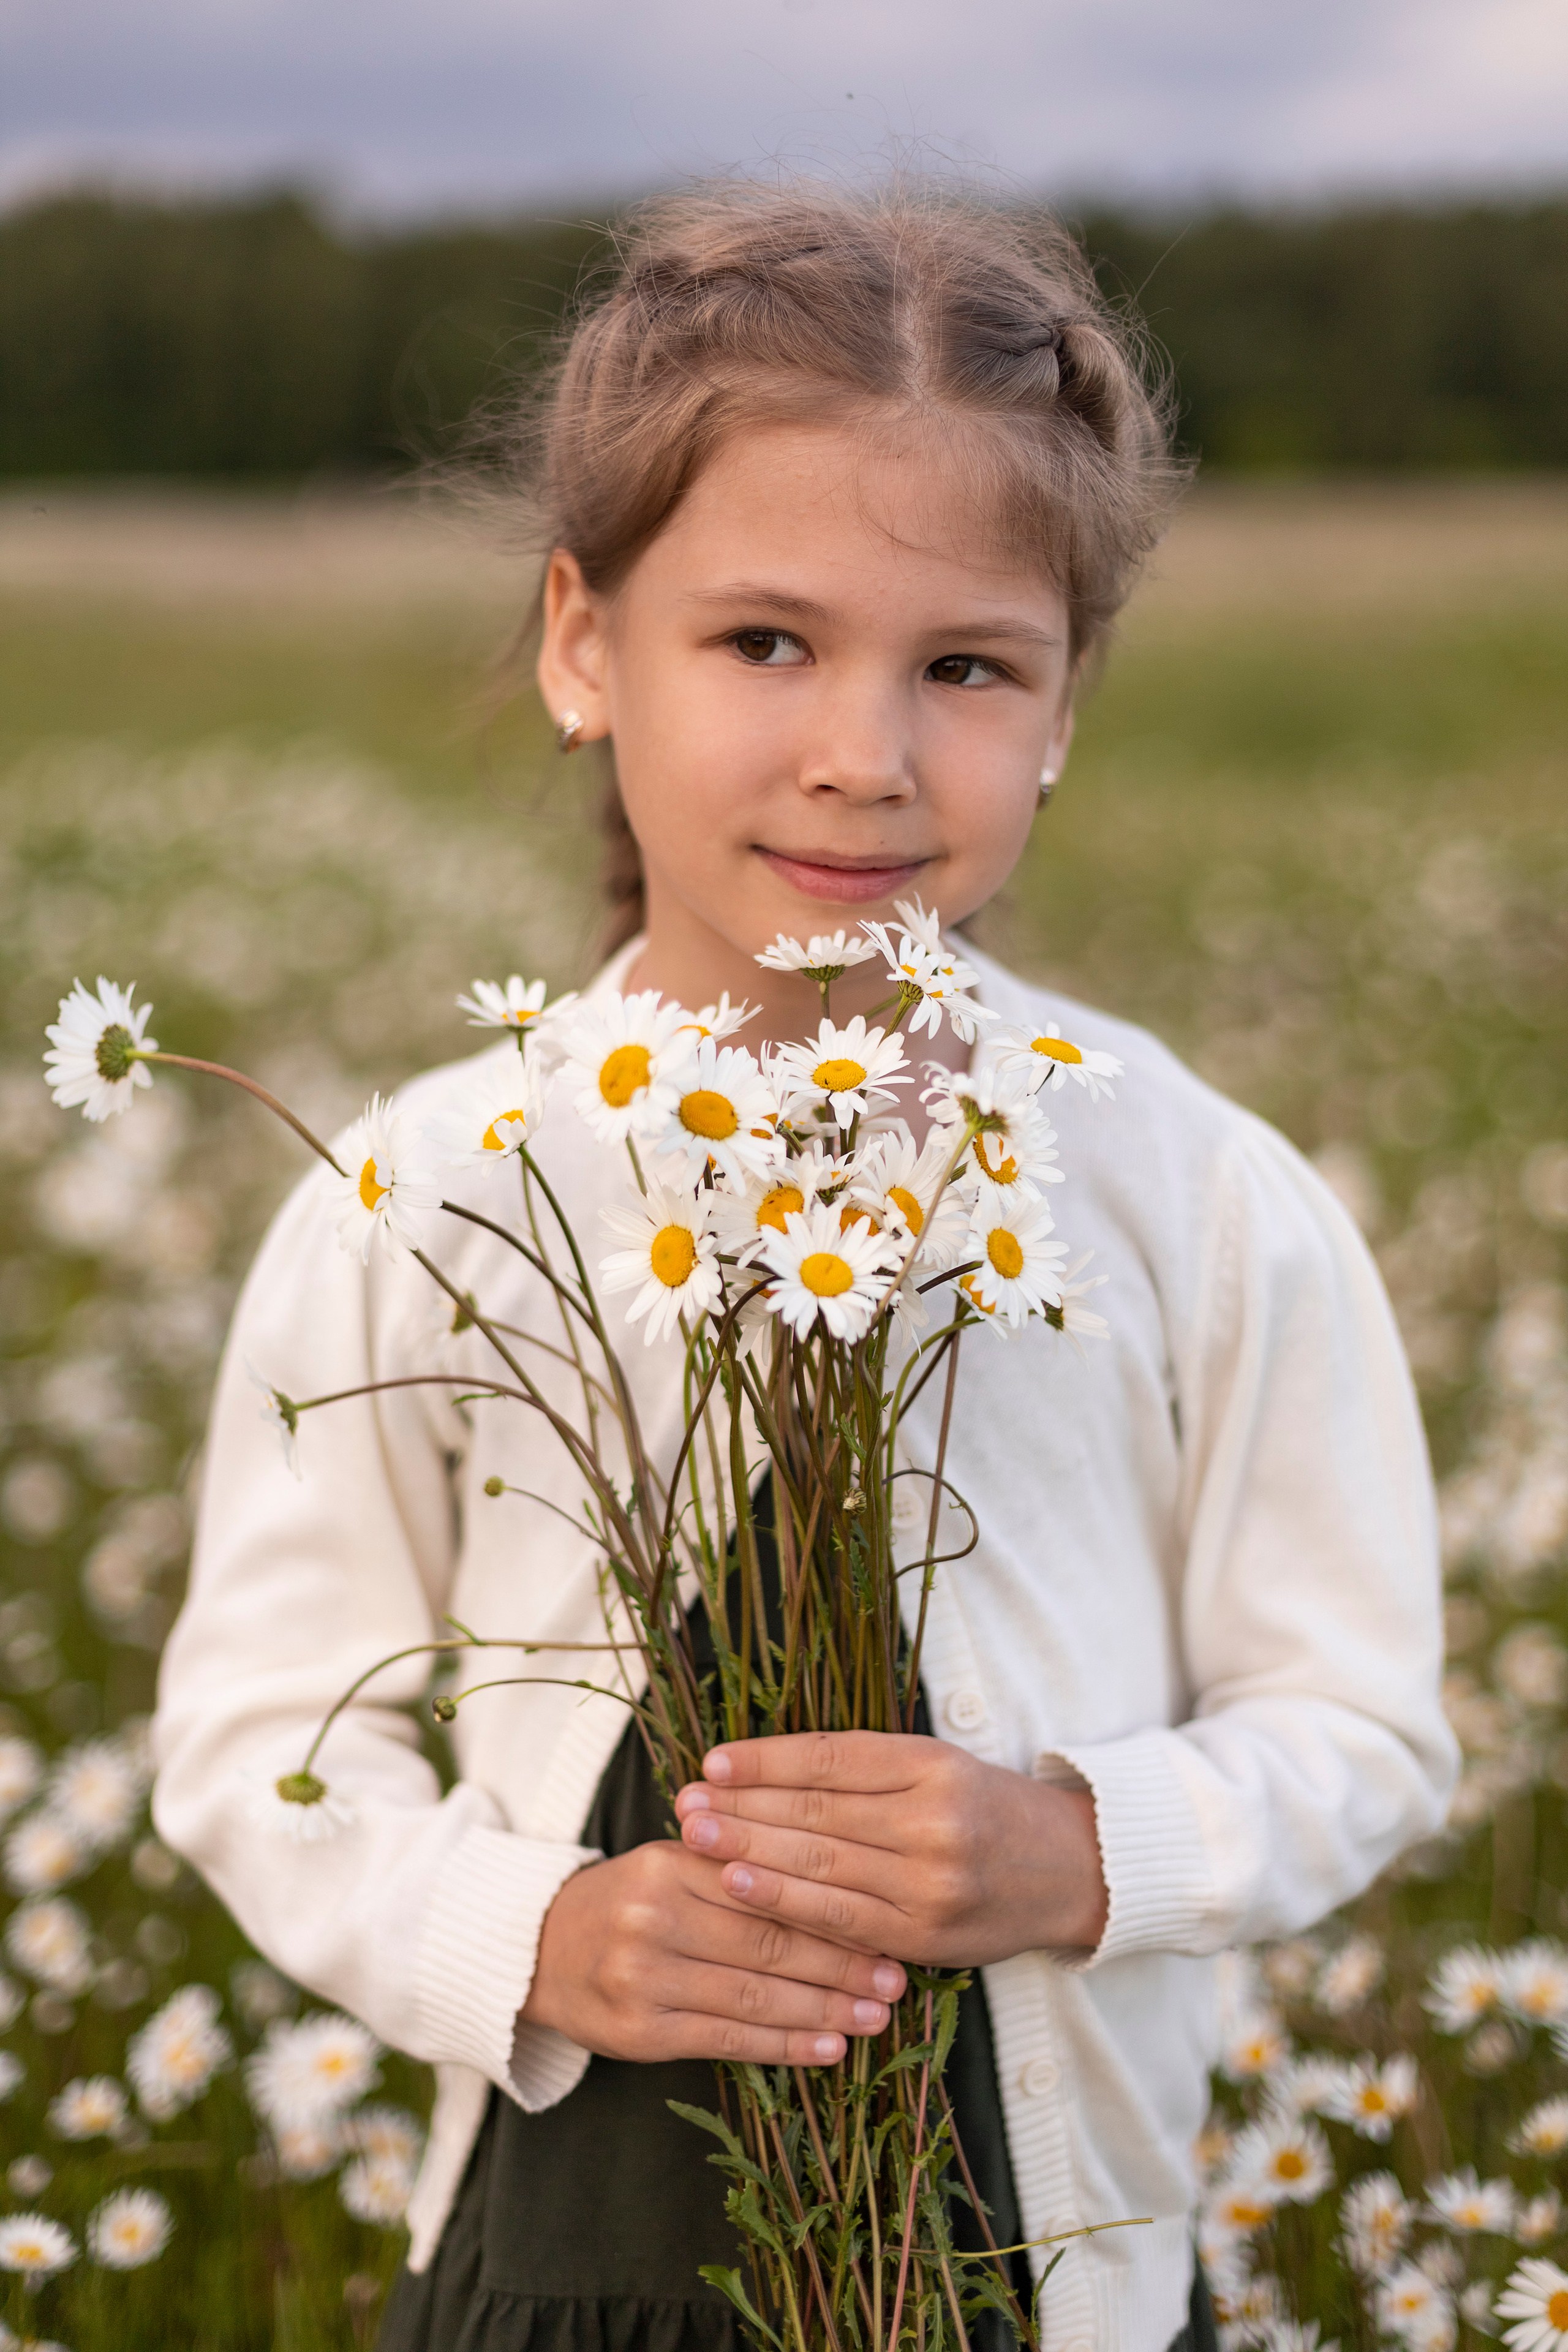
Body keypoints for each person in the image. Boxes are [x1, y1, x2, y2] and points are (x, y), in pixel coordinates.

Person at [152, 179, 1456, 2352]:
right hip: (567, 2274)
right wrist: (531, 1936)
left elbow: (1362, 1729)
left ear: (1066, 705)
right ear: (586, 645)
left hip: (1038, 2289)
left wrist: (1081, 1848)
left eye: (967, 667)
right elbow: (258, 1744)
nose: (867, 754)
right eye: (766, 642)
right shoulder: (426, 1193)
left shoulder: (1197, 1197)